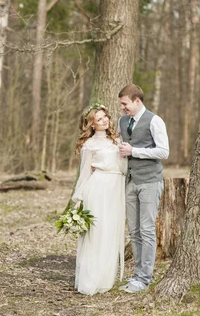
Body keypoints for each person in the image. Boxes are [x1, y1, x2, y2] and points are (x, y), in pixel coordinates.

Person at [117, 84, 169, 293]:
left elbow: (163, 152)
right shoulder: (122, 121)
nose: (122, 108)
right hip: (130, 181)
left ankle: (144, 279)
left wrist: (134, 151)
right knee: (135, 231)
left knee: (147, 230)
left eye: (125, 104)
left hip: (149, 181)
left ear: (137, 101)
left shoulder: (155, 120)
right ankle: (137, 276)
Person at [71, 104, 127, 295]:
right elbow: (85, 173)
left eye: (105, 117)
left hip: (116, 188)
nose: (104, 121)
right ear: (92, 125)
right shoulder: (90, 145)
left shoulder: (117, 139)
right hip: (98, 187)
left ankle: (106, 278)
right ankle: (91, 278)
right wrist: (78, 199)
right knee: (97, 233)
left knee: (111, 231)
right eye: (99, 119)